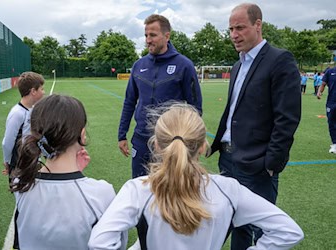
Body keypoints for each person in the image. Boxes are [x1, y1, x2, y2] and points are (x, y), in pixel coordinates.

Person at [89, 103, 304, 249]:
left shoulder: (138, 190)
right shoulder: (229, 190)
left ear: (156, 145)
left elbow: (99, 242)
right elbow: (289, 231)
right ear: (203, 147)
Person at [208, 3, 301, 249]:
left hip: (258, 164)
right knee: (236, 224)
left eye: (240, 28)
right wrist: (216, 144)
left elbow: (287, 118)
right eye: (230, 29)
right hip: (228, 161)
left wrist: (272, 164)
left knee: (263, 230)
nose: (233, 35)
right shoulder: (238, 65)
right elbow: (232, 111)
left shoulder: (279, 60)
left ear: (258, 25)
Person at [11, 94, 124, 250]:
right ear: (82, 134)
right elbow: (116, 244)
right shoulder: (101, 194)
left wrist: (75, 172)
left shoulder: (21, 184)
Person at [118, 13, 202, 179]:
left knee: (169, 189)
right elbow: (129, 101)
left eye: (153, 35)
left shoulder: (184, 65)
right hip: (141, 139)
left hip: (170, 142)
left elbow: (195, 107)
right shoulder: (138, 65)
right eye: (146, 35)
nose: (148, 40)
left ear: (167, 36)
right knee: (139, 185)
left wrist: (192, 141)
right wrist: (122, 134)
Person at [2, 71, 45, 249]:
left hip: (31, 161)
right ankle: (19, 244)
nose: (43, 92)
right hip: (19, 164)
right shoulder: (17, 113)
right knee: (23, 203)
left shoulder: (32, 110)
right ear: (33, 91)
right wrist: (7, 162)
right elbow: (7, 141)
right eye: (41, 89)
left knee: (34, 201)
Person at [317, 66, 336, 153]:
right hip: (331, 102)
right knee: (331, 122)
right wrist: (319, 92)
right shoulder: (330, 71)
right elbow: (323, 84)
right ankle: (334, 144)